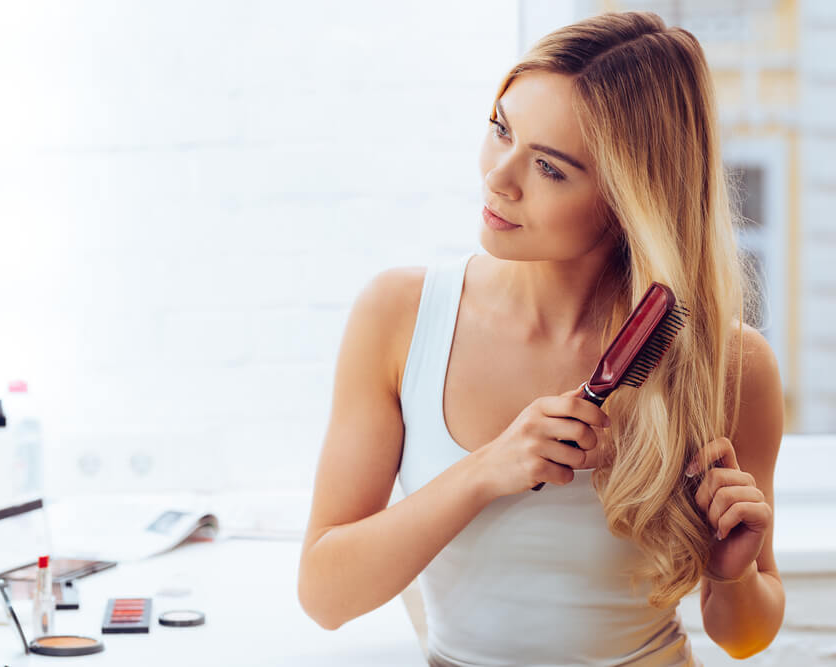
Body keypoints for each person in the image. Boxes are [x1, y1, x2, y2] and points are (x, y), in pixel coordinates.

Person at [297, 10, 786, 667]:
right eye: (501, 128)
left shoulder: (731, 366)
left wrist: (732, 574)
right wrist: (484, 469)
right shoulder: (400, 316)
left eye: (551, 168)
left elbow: (743, 636)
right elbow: (325, 595)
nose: (500, 176)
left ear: (627, 198)